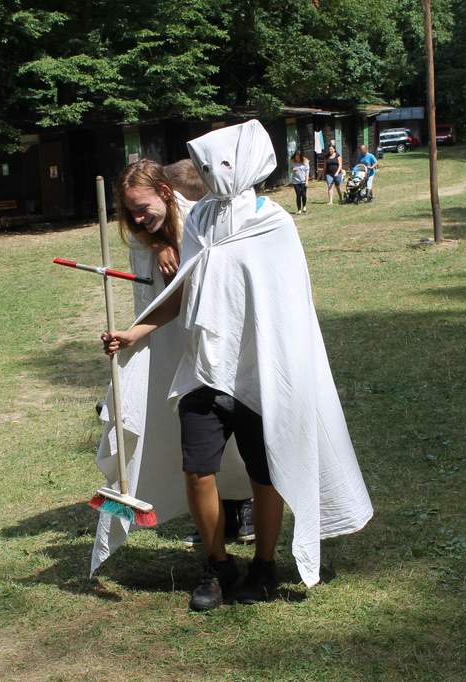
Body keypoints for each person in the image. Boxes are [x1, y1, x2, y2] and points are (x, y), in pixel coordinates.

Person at [99, 120, 373, 612]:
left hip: (259, 373)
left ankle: (264, 565)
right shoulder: (200, 219)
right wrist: (136, 332)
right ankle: (218, 563)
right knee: (196, 472)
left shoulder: (273, 223)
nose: (206, 172)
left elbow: (288, 305)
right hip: (204, 370)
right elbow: (184, 288)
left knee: (264, 475)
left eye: (214, 164)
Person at [90, 159, 255, 574]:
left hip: (215, 342)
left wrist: (171, 244)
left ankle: (240, 505)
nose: (137, 219)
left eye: (142, 209)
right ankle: (209, 517)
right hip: (168, 342)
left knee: (232, 433)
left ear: (165, 193)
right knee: (181, 433)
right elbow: (163, 296)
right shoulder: (144, 234)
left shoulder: (201, 219)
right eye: (130, 212)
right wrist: (157, 244)